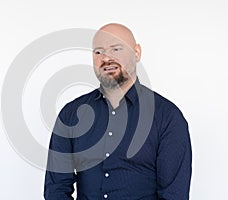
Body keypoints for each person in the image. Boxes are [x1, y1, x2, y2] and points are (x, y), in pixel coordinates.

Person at [44, 23, 192, 200]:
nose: (106, 58)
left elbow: (173, 195)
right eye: (98, 52)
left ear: (137, 52)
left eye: (116, 49)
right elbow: (56, 190)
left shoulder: (167, 117)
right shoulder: (71, 115)